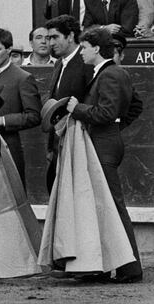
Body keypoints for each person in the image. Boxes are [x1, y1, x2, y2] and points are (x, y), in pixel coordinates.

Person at [66, 27, 143, 283]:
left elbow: (106, 113)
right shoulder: (110, 72)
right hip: (106, 140)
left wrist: (79, 109)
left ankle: (130, 268)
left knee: (112, 206)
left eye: (85, 48)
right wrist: (116, 127)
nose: (82, 53)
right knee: (106, 206)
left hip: (103, 143)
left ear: (97, 48)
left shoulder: (110, 73)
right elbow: (135, 105)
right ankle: (116, 265)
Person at [0, 28, 42, 185]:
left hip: (9, 145)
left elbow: (34, 116)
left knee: (11, 194)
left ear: (9, 49)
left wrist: (3, 120)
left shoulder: (23, 78)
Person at [44, 14, 93, 193]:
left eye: (55, 37)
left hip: (78, 138)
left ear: (71, 36)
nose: (50, 43)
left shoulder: (86, 62)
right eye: (49, 38)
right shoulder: (59, 63)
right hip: (59, 139)